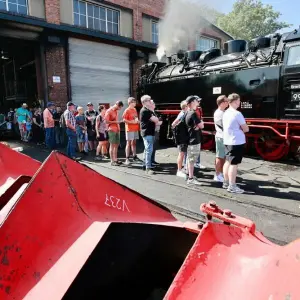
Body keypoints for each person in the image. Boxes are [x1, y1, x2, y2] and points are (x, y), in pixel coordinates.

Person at [223, 93, 249, 194]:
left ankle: (226, 182)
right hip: (236, 141)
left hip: (228, 140)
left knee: (228, 161)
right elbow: (245, 129)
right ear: (235, 101)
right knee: (234, 164)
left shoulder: (226, 113)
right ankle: (232, 186)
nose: (240, 103)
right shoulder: (237, 114)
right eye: (239, 101)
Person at [140, 95, 162, 175]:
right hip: (147, 132)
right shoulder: (145, 111)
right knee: (149, 150)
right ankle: (148, 168)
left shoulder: (147, 110)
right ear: (145, 102)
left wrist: (156, 120)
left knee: (147, 150)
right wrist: (156, 120)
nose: (150, 101)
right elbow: (156, 120)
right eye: (149, 100)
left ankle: (145, 165)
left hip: (148, 132)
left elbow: (156, 120)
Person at [185, 95, 204, 185]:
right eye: (196, 100)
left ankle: (189, 174)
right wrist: (199, 124)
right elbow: (201, 126)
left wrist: (197, 126)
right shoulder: (193, 113)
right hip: (194, 139)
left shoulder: (187, 112)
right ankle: (191, 178)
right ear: (192, 102)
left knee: (190, 159)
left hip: (190, 138)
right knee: (192, 160)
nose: (198, 102)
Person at [171, 100, 189, 179]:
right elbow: (173, 124)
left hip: (183, 136)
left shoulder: (184, 113)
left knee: (184, 153)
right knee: (181, 153)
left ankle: (183, 168)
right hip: (181, 137)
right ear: (185, 107)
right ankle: (179, 170)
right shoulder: (182, 114)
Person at [213, 95, 229, 182]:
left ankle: (221, 173)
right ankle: (218, 175)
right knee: (220, 156)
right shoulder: (219, 113)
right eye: (226, 101)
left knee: (223, 156)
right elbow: (223, 126)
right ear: (222, 103)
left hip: (223, 137)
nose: (228, 103)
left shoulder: (223, 112)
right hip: (221, 137)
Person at [105, 101, 124, 166]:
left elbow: (116, 121)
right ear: (116, 105)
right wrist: (116, 122)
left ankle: (115, 159)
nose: (119, 109)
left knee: (116, 145)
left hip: (117, 130)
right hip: (111, 130)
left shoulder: (116, 111)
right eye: (119, 107)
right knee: (112, 145)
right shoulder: (109, 111)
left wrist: (118, 124)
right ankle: (112, 161)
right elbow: (106, 121)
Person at [122, 97, 140, 165]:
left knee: (134, 143)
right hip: (129, 129)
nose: (135, 103)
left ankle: (134, 156)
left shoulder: (135, 109)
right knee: (128, 143)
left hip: (135, 128)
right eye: (134, 102)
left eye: (135, 102)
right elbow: (124, 120)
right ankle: (127, 158)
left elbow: (135, 118)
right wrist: (131, 122)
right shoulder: (127, 110)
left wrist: (137, 121)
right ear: (130, 103)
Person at [194, 98, 206, 170]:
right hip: (194, 129)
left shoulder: (199, 109)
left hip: (199, 128)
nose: (199, 102)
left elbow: (201, 118)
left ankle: (197, 162)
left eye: (199, 101)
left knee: (198, 145)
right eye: (198, 101)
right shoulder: (192, 110)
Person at [150, 100, 161, 167]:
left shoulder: (154, 112)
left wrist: (158, 122)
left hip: (156, 131)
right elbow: (155, 122)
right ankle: (150, 162)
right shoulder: (150, 113)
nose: (154, 104)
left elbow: (159, 120)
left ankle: (152, 160)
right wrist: (158, 122)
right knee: (151, 147)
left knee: (154, 147)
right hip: (153, 131)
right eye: (153, 103)